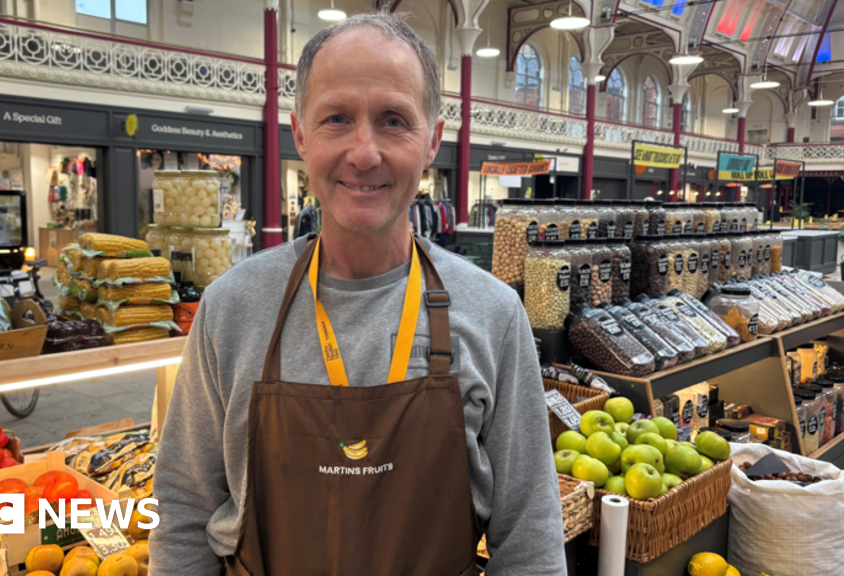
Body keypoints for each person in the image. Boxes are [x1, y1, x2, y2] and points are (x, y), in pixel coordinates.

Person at [152, 12, 566, 576]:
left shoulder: (493, 313)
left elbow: (530, 542)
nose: (364, 152)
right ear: (300, 134)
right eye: (337, 119)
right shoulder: (232, 307)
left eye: (394, 120)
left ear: (432, 141)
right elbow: (181, 512)